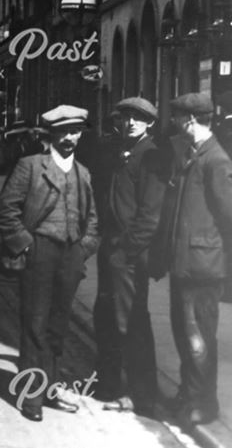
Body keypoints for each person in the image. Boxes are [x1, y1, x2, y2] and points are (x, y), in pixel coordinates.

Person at [0, 104, 100, 422]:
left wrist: (83, 250)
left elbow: (92, 220)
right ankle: (31, 397)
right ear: (52, 134)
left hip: (70, 256)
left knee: (57, 327)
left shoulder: (83, 173)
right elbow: (6, 210)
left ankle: (50, 390)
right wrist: (25, 246)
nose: (71, 137)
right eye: (65, 131)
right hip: (38, 251)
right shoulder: (30, 166)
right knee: (35, 325)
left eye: (76, 132)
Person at [159, 92, 232, 426]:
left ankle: (205, 403)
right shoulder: (192, 154)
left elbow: (229, 216)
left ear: (190, 121)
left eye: (176, 118)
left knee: (199, 337)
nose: (173, 124)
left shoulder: (215, 160)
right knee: (185, 335)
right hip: (185, 264)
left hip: (203, 268)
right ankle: (190, 394)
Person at [92, 97, 167, 416]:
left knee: (131, 323)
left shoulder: (151, 156)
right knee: (106, 318)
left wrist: (127, 253)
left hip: (129, 256)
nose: (132, 123)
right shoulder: (119, 153)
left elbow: (150, 216)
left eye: (139, 118)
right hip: (111, 250)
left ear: (150, 123)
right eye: (126, 117)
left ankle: (143, 396)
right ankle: (108, 384)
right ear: (118, 121)